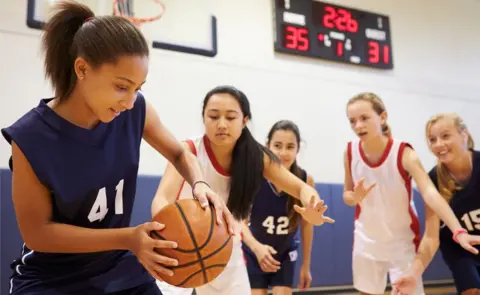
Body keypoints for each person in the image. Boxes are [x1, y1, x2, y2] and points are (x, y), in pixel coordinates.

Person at [1, 1, 234, 294]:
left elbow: (179, 153)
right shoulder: (31, 137)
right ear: (82, 69)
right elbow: (38, 234)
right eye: (122, 86)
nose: (130, 100)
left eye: (138, 88)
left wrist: (199, 183)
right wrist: (128, 238)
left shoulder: (135, 110)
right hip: (51, 278)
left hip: (117, 266)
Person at [152, 86, 333, 295]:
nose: (221, 124)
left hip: (225, 250)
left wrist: (312, 205)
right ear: (203, 118)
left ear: (244, 120)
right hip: (180, 248)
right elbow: (161, 199)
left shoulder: (255, 157)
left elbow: (301, 187)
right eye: (213, 116)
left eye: (230, 117)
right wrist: (169, 233)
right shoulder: (188, 150)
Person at [343, 93, 479, 295]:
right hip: (367, 240)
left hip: (402, 241)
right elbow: (347, 193)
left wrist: (457, 230)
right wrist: (353, 197)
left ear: (382, 117)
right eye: (352, 121)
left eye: (364, 118)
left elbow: (431, 195)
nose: (358, 125)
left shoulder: (404, 153)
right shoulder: (350, 151)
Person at [392, 113, 480, 295]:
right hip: (460, 249)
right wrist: (414, 274)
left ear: (464, 135)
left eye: (446, 136)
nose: (438, 144)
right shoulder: (432, 180)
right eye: (432, 140)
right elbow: (432, 237)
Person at [241, 120, 314, 295]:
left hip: (285, 253)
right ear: (267, 146)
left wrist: (306, 265)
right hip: (255, 251)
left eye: (290, 147)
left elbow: (307, 224)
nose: (283, 152)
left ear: (298, 149)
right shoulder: (254, 176)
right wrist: (256, 247)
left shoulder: (304, 179)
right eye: (277, 145)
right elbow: (240, 221)